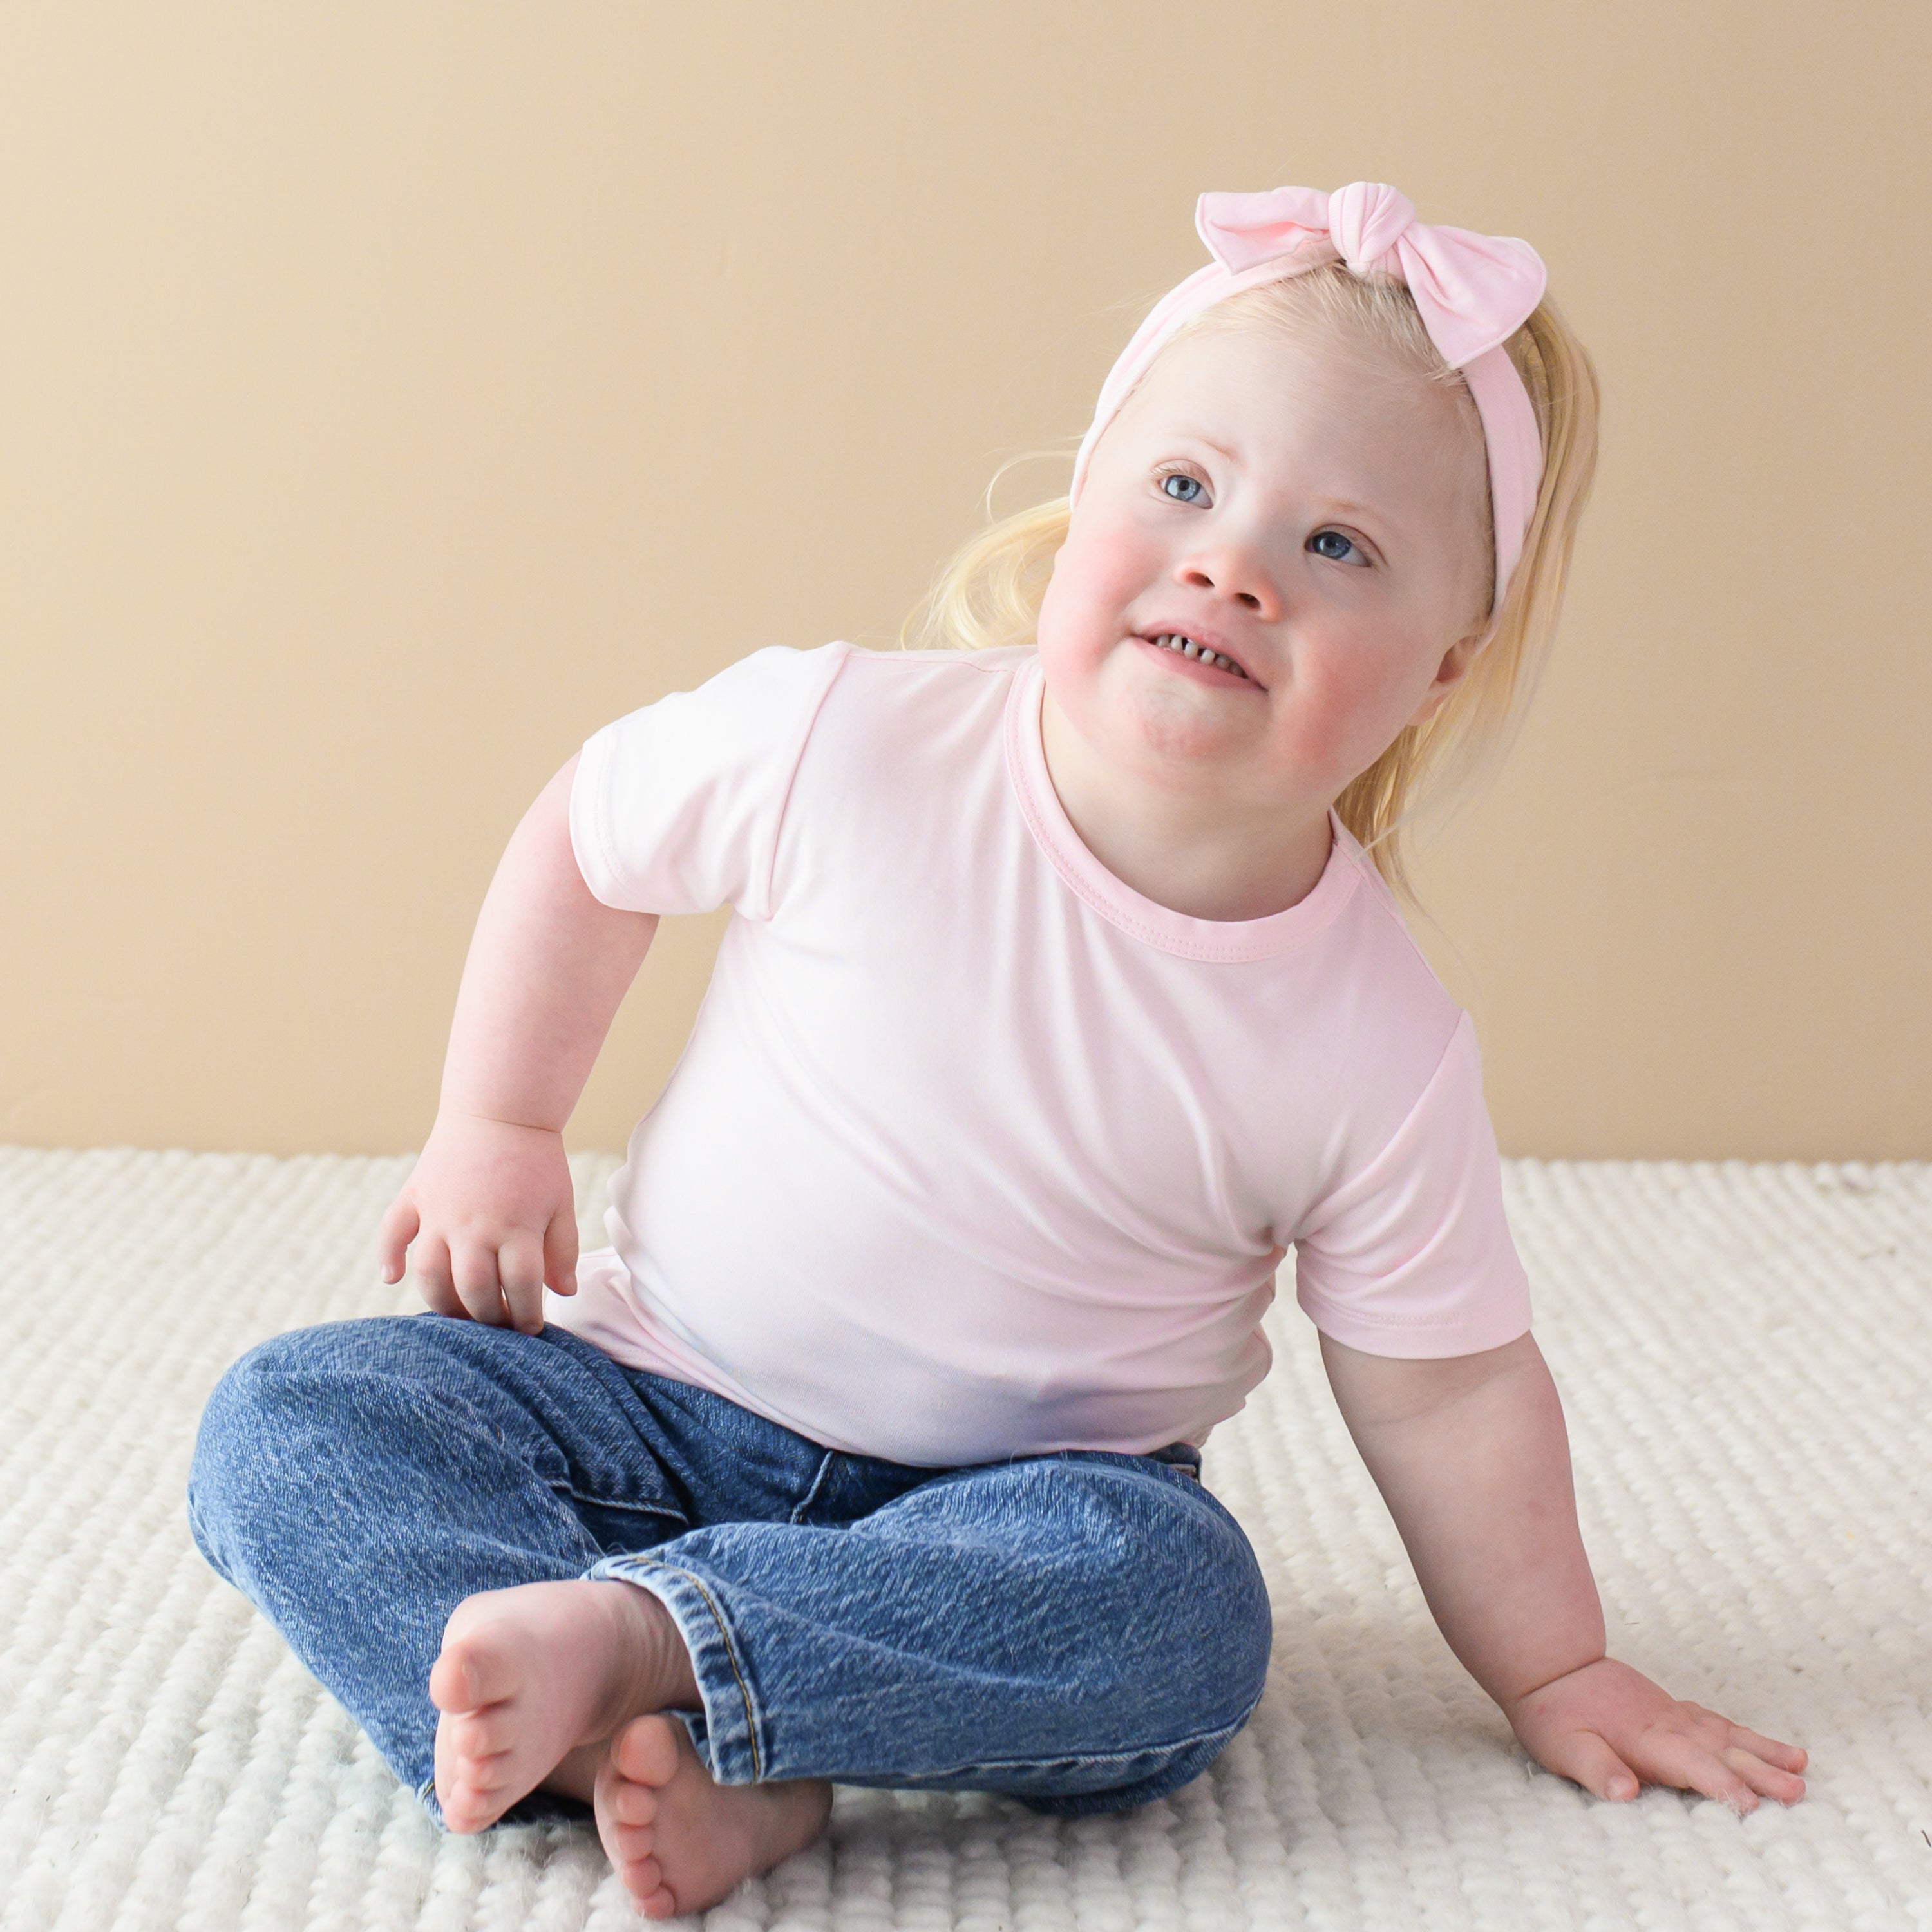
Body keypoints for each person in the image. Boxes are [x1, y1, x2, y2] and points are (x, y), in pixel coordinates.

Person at [187, 181, 1808, 1920]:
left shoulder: (1372, 1038)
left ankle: (668, 1654)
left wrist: (1555, 1668)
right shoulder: (851, 744)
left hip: (1013, 1519)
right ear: (1084, 501)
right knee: (294, 1418)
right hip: (651, 1413)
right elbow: (592, 835)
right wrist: (498, 1120)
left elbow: (1452, 1385)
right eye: (1184, 486)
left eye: (1341, 548)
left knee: (1182, 1612)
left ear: (1439, 670)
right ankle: (682, 1728)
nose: (1233, 563)